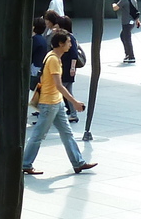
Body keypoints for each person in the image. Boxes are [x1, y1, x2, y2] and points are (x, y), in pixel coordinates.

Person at [22, 31, 97, 176]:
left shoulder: (53, 57)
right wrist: (74, 102)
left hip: (56, 102)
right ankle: (25, 163)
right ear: (61, 44)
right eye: (68, 42)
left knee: (67, 133)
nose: (70, 44)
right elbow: (59, 85)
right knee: (38, 135)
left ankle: (78, 163)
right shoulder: (54, 60)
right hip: (49, 103)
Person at [112, 0, 139, 64]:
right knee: (123, 36)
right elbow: (136, 11)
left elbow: (115, 8)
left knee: (127, 39)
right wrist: (137, 21)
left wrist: (113, 3)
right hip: (131, 22)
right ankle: (128, 54)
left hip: (126, 22)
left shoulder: (124, 0)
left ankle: (131, 56)